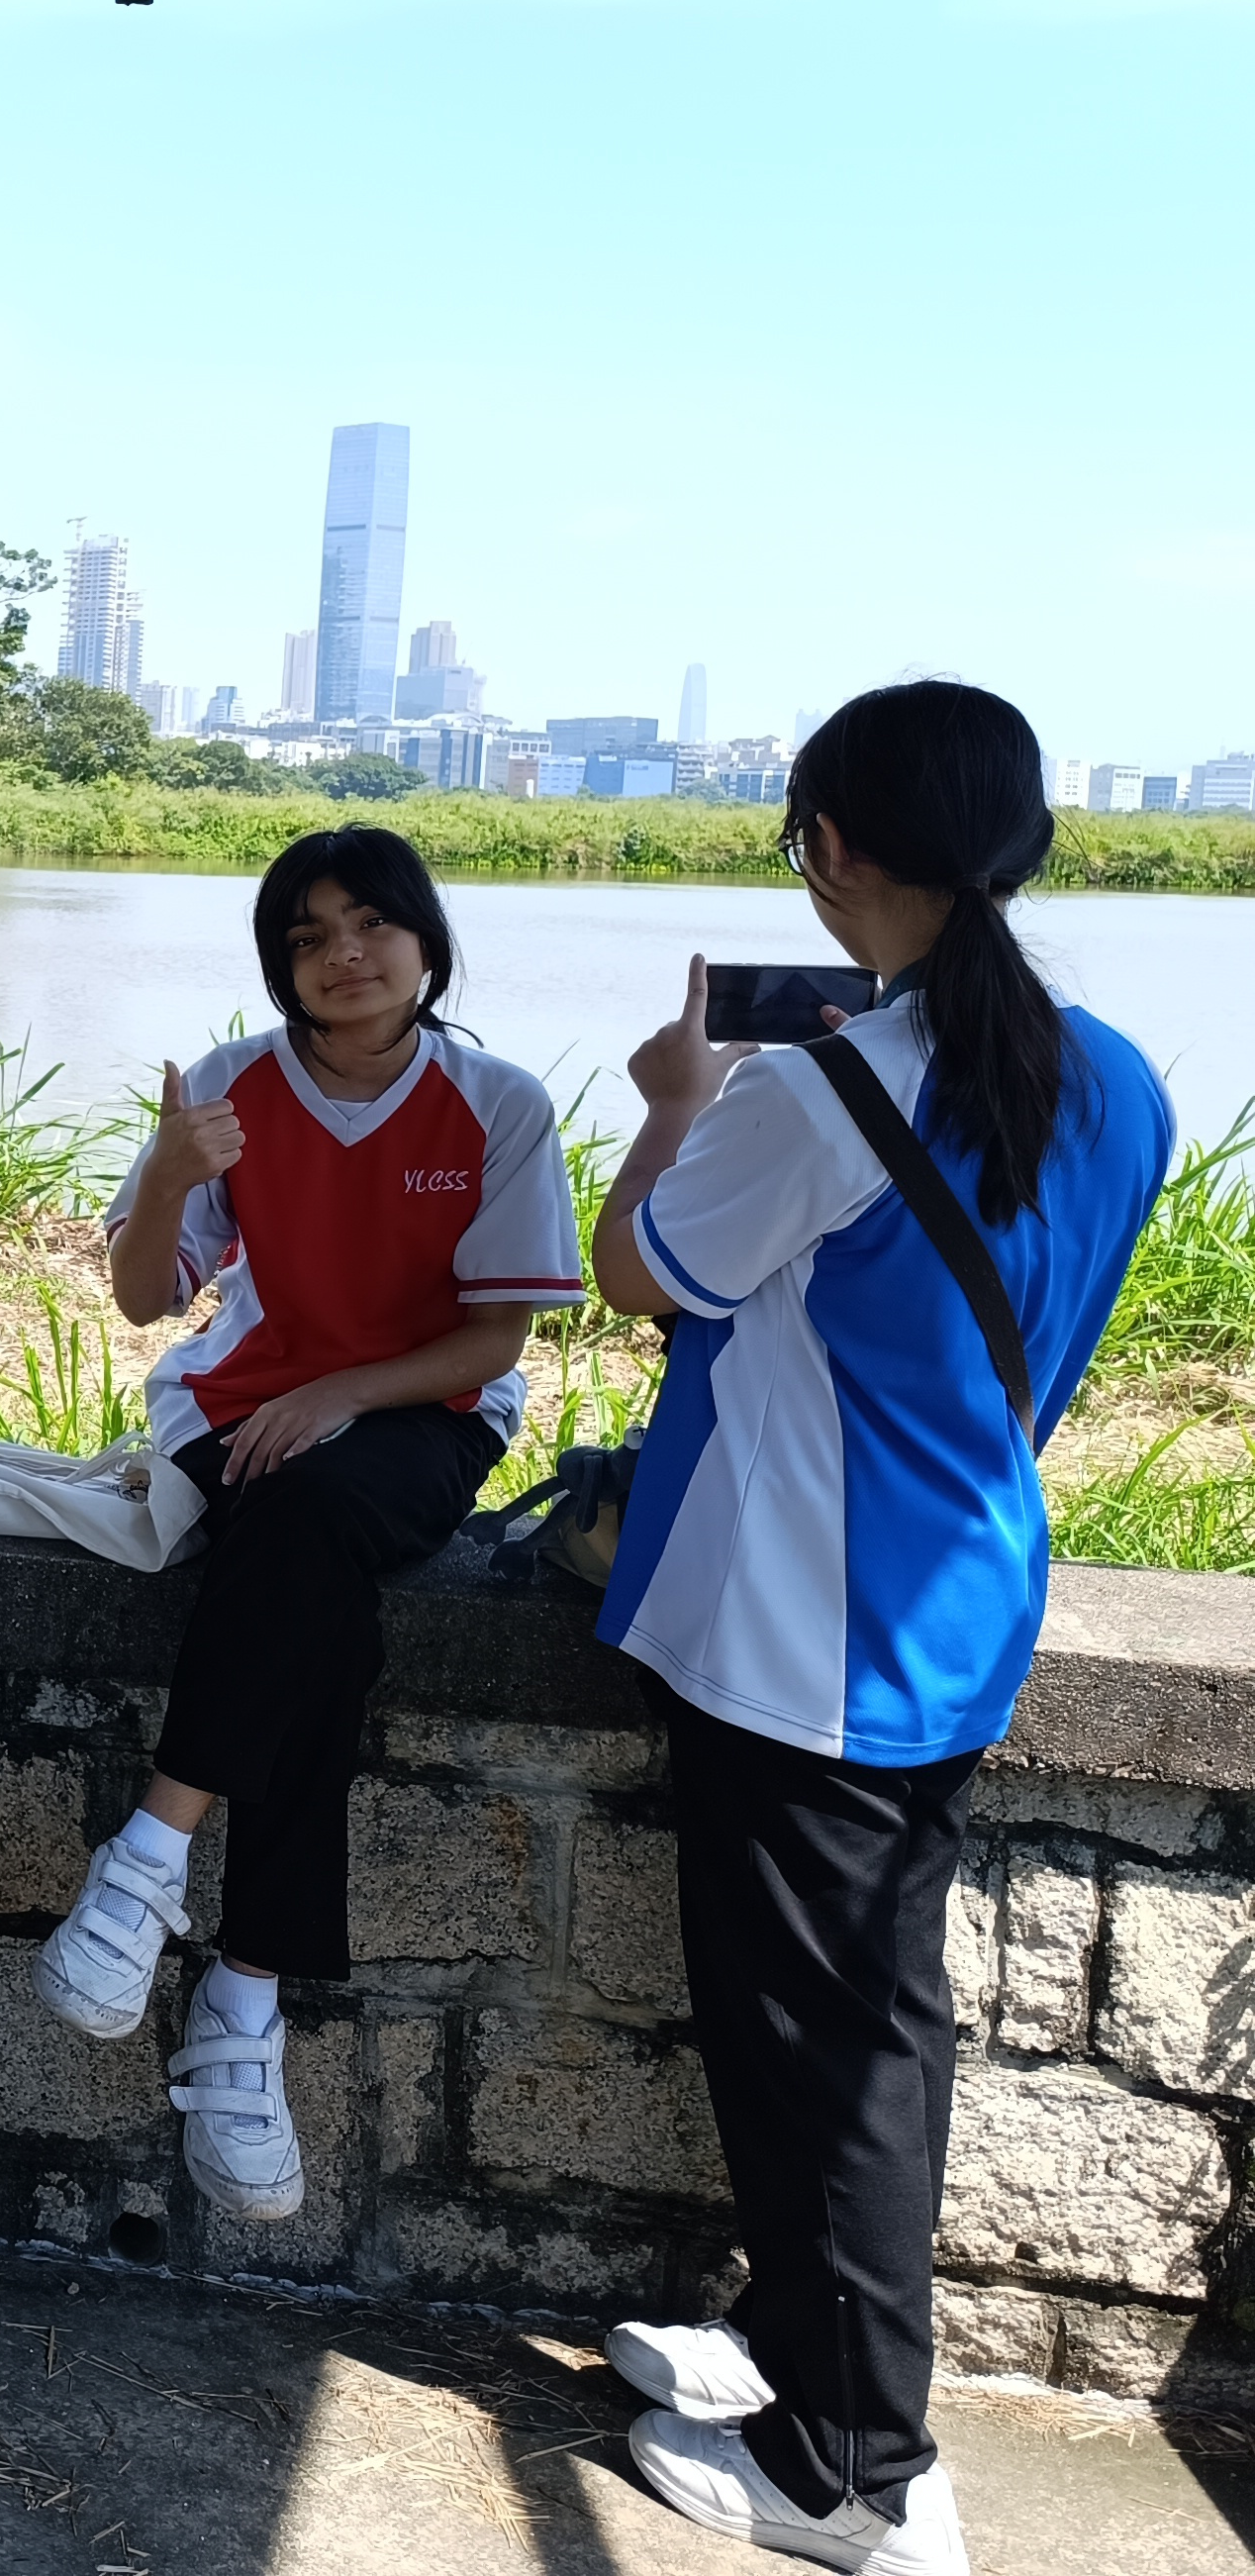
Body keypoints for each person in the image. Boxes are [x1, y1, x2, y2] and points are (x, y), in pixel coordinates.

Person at [586, 683, 1166, 2576]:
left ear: (830, 851)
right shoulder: (1123, 1079)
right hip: (957, 1601)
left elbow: (638, 1271)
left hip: (798, 1639)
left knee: (825, 2054)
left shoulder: (814, 1093)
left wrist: (673, 1105)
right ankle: (803, 2350)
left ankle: (858, 2474)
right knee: (867, 2023)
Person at [37, 827, 580, 2225]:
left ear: (426, 940)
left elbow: (494, 1340)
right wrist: (170, 1174)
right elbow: (146, 1299)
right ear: (279, 966)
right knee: (312, 1597)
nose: (344, 955)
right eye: (307, 936)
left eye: (372, 924)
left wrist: (343, 1393)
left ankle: (147, 1855)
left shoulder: (498, 1105)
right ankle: (241, 2002)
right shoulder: (227, 1089)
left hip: (424, 1409)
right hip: (238, 1401)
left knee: (308, 1524)